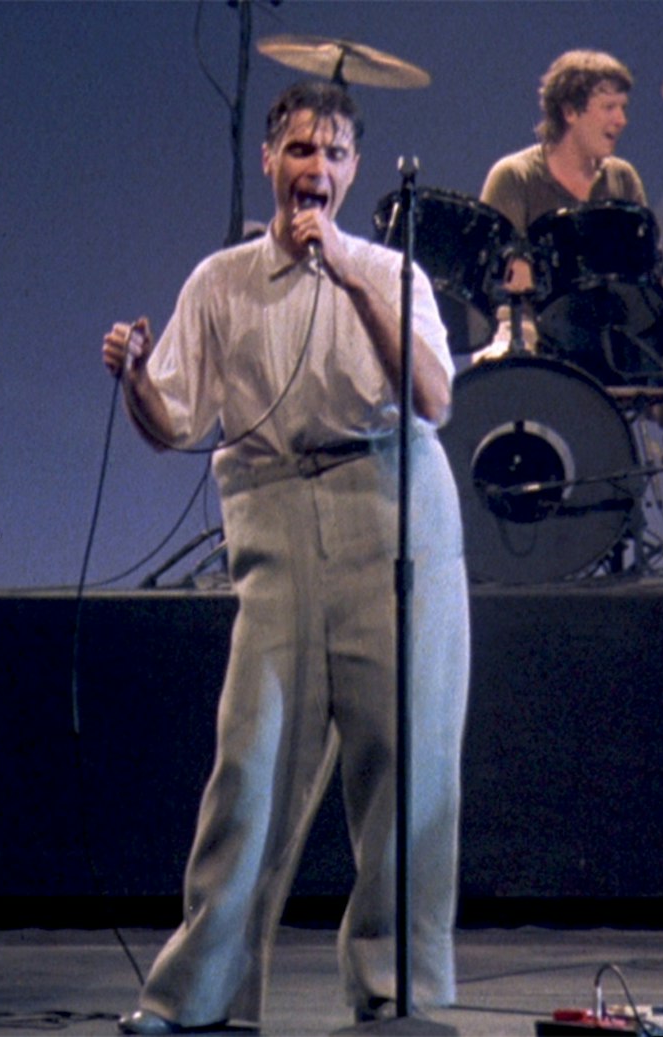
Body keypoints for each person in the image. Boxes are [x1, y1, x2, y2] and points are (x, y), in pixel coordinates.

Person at [99, 80, 469, 1032]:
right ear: (270, 161)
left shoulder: (392, 271)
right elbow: (172, 421)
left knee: (405, 755)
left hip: (392, 504)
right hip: (274, 511)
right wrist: (137, 376)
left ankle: (400, 986)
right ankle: (201, 996)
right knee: (252, 757)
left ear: (352, 172)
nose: (317, 171)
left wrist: (346, 272)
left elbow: (433, 398)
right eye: (301, 151)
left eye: (336, 154)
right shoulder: (219, 281)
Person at [480, 50, 663, 565]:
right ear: (571, 111)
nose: (621, 120)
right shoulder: (515, 178)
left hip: (611, 346)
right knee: (494, 370)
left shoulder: (622, 180)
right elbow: (485, 273)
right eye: (610, 107)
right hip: (541, 344)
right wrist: (516, 282)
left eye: (623, 108)